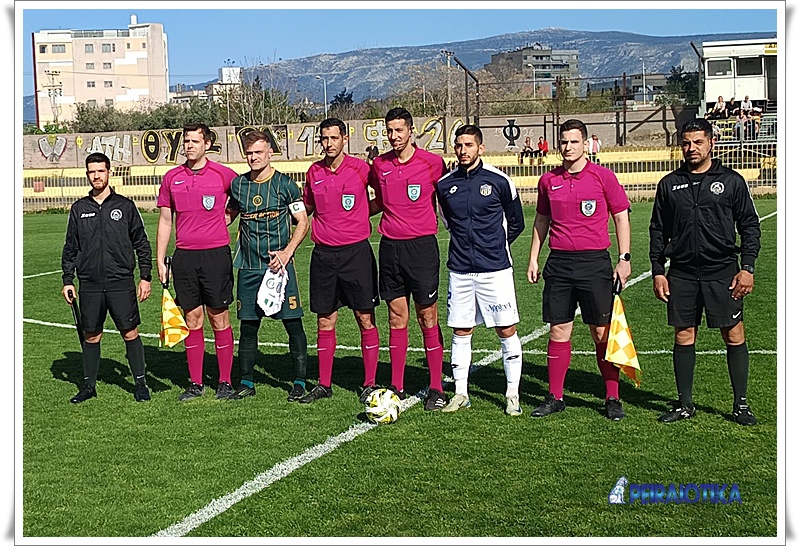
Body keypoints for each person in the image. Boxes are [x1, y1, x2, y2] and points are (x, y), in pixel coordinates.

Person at [649, 118, 761, 426]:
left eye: (698, 142)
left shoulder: (731, 181)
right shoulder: (669, 184)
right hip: (682, 273)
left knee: (733, 334)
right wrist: (658, 270)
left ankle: (740, 405)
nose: (692, 148)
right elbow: (658, 230)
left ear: (711, 142)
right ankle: (685, 404)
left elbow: (750, 225)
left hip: (722, 271)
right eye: (686, 143)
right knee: (684, 334)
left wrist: (747, 267)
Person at [527, 119, 632, 421]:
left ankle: (612, 396)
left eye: (574, 141)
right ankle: (555, 396)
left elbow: (621, 216)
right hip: (559, 263)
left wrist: (624, 258)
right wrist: (533, 258)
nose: (568, 147)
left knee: (601, 332)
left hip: (594, 263)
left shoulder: (603, 177)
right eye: (564, 141)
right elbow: (542, 220)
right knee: (559, 329)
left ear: (585, 144)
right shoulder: (548, 180)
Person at [435, 125, 526, 415]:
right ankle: (461, 393)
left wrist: (494, 246)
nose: (463, 150)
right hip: (460, 270)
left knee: (506, 329)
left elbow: (517, 222)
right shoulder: (444, 185)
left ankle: (512, 394)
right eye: (459, 145)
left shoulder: (499, 180)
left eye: (469, 145)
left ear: (481, 148)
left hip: (495, 269)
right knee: (461, 330)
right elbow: (448, 223)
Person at [368, 107, 449, 411]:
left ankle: (436, 387)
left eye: (399, 130)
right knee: (395, 316)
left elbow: (447, 199)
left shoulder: (432, 163)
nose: (393, 136)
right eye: (389, 131)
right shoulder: (380, 165)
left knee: (427, 315)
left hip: (422, 248)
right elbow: (378, 200)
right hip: (391, 248)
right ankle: (397, 385)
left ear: (411, 131)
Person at [298, 118, 381, 404]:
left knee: (364, 318)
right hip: (324, 255)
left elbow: (383, 198)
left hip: (356, 253)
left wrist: (360, 213)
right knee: (325, 320)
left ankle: (369, 383)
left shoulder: (361, 169)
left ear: (345, 138)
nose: (328, 143)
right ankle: (324, 384)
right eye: (324, 138)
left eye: (334, 138)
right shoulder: (314, 171)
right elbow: (306, 208)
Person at [156, 122, 239, 401]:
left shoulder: (223, 174)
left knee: (219, 316)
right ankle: (195, 383)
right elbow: (165, 220)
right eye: (186, 141)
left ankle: (225, 381)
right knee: (192, 318)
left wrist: (228, 217)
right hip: (185, 256)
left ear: (207, 144)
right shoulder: (172, 177)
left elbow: (241, 197)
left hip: (216, 255)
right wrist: (160, 259)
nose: (189, 146)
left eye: (194, 141)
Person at [61, 152, 152, 403]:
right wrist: (68, 280)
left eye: (100, 171)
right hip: (90, 283)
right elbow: (70, 247)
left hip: (120, 281)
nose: (96, 176)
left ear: (109, 172)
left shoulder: (125, 206)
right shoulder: (79, 209)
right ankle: (88, 386)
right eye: (92, 172)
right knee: (92, 335)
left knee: (130, 332)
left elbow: (141, 243)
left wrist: (145, 277)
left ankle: (140, 384)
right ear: (87, 175)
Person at [226, 131, 310, 402]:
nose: (254, 158)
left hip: (279, 267)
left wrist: (287, 253)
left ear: (270, 152)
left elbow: (303, 222)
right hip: (249, 267)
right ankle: (246, 382)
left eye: (259, 152)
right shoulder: (239, 185)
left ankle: (299, 382)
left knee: (293, 323)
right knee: (248, 327)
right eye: (249, 153)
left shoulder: (286, 185)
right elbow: (228, 215)